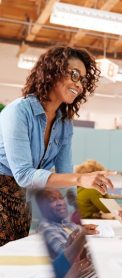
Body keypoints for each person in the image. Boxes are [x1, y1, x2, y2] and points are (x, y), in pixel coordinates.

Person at [0, 46, 114, 246]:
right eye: (75, 75)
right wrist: (80, 178)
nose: (79, 85)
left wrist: (72, 223)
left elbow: (65, 178)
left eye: (84, 80)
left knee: (13, 263)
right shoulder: (18, 111)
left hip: (21, 202)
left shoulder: (64, 123)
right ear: (53, 71)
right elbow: (25, 175)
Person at [35, 188, 98, 258]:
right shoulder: (46, 227)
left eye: (61, 198)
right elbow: (67, 255)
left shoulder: (64, 222)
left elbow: (81, 231)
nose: (60, 203)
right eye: (52, 200)